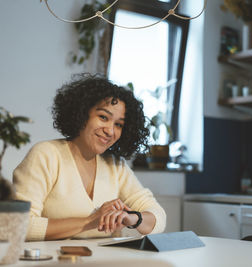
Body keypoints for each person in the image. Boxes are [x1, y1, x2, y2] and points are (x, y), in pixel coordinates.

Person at [13, 74, 166, 241]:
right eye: (103, 117)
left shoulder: (115, 165)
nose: (110, 130)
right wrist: (91, 220)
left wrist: (133, 218)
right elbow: (19, 225)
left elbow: (158, 217)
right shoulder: (45, 155)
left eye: (118, 124)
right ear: (81, 113)